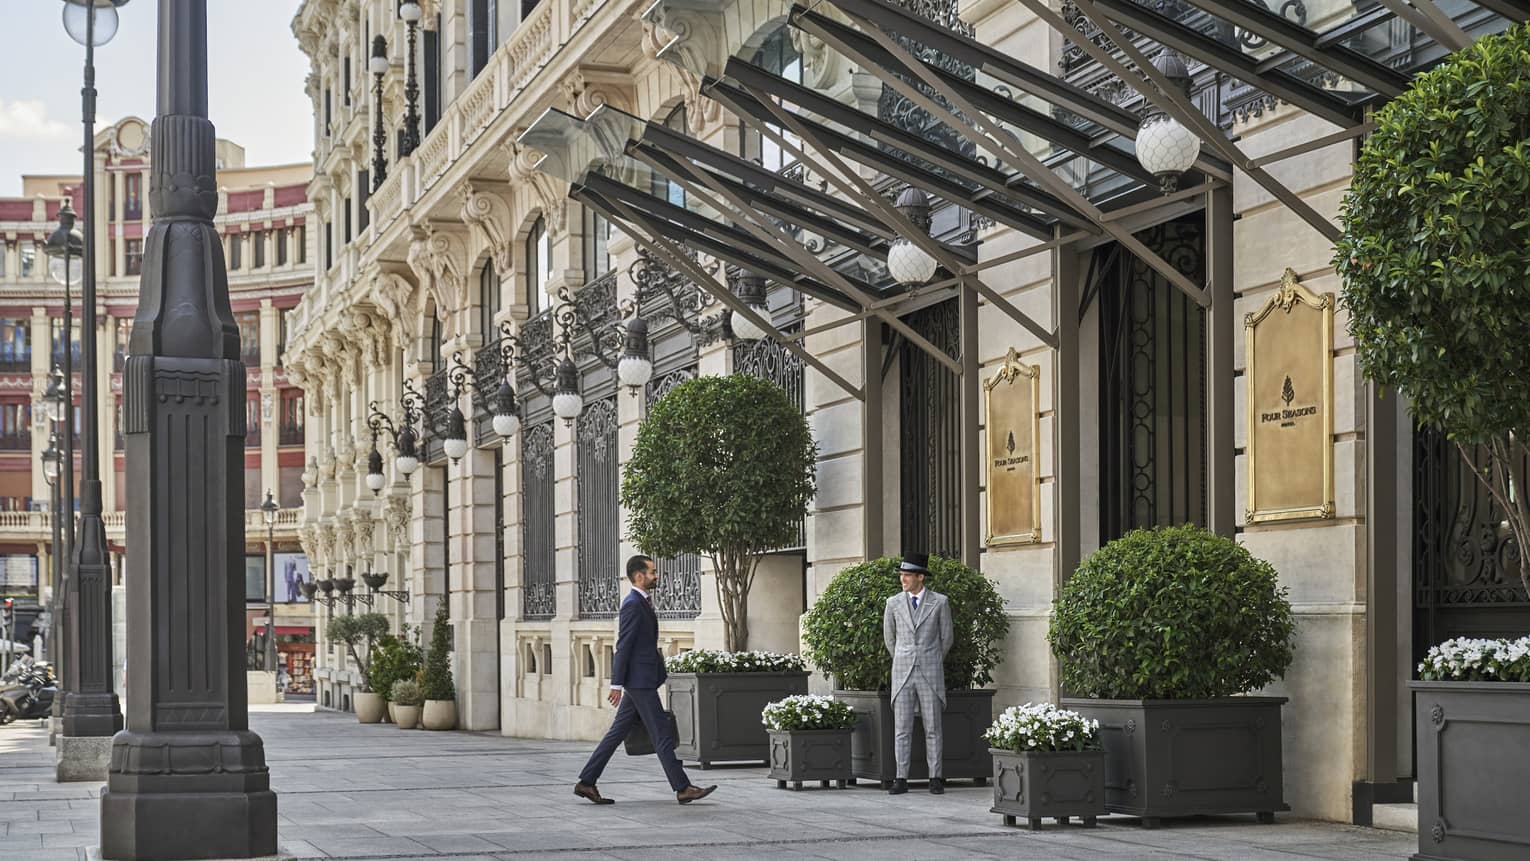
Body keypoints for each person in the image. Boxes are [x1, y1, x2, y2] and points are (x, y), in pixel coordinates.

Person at [574, 555, 717, 806]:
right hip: (639, 682)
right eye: (652, 572)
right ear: (639, 576)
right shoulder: (632, 604)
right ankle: (683, 787)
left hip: (641, 679)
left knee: (617, 732)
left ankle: (587, 781)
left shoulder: (642, 602)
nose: (656, 575)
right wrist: (616, 684)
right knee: (661, 732)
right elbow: (624, 645)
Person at [882, 552, 954, 795]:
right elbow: (889, 638)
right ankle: (900, 778)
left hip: (930, 671)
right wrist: (904, 658)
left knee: (933, 727)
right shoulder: (893, 603)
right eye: (901, 575)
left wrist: (930, 658)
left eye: (907, 575)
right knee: (901, 728)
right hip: (902, 671)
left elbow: (947, 638)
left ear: (920, 577)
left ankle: (936, 777)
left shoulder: (940, 602)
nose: (902, 579)